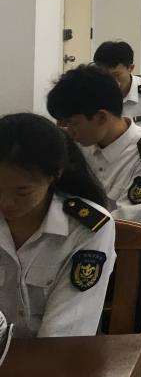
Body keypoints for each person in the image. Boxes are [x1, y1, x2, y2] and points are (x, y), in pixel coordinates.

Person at [0, 113, 116, 338]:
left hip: (54, 354)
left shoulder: (87, 226)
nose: (5, 202)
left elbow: (66, 330)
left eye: (22, 191)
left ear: (54, 175)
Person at [46, 65, 141, 223]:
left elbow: (127, 219)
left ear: (102, 117)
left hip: (130, 236)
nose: (69, 131)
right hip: (79, 230)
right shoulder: (82, 144)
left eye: (73, 123)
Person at [93, 40, 141, 119]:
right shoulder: (92, 92)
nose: (109, 80)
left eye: (116, 74)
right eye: (104, 75)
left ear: (130, 68)